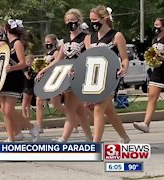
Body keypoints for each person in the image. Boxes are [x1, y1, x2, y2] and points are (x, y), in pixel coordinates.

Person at [38, 9, 92, 142]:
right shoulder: (65, 40)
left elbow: (90, 55)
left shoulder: (85, 37)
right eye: (67, 21)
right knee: (78, 109)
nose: (70, 23)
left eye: (72, 20)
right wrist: (44, 69)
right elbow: (58, 59)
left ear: (78, 21)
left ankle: (64, 138)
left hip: (79, 75)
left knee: (69, 107)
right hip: (67, 76)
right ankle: (89, 136)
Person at [84, 5, 130, 143]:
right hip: (94, 77)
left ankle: (95, 144)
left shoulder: (116, 36)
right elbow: (87, 59)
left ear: (104, 19)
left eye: (95, 19)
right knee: (109, 111)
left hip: (111, 77)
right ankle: (125, 137)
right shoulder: (88, 38)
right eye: (91, 20)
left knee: (98, 108)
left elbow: (125, 58)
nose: (93, 23)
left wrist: (124, 68)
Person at [0, 19, 39, 142]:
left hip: (15, 78)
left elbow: (22, 63)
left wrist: (12, 68)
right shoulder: (6, 45)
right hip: (5, 78)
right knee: (4, 110)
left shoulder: (17, 43)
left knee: (9, 109)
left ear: (6, 30)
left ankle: (32, 127)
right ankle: (11, 137)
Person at [133, 18, 164, 133]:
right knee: (151, 96)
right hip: (158, 70)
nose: (155, 27)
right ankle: (146, 123)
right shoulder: (155, 39)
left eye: (158, 25)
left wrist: (161, 58)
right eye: (154, 24)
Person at [36, 34, 65, 133]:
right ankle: (39, 126)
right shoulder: (47, 54)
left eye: (49, 42)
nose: (47, 44)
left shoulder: (56, 53)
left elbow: (57, 64)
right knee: (39, 101)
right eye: (46, 42)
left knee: (57, 105)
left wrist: (45, 69)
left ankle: (74, 118)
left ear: (54, 42)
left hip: (53, 80)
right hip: (46, 80)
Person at [22, 54, 36, 119]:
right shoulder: (25, 68)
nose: (29, 63)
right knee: (25, 101)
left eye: (31, 62)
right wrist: (31, 75)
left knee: (29, 102)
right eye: (28, 62)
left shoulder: (33, 68)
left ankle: (28, 115)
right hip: (26, 86)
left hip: (31, 85)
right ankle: (23, 114)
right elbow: (27, 76)